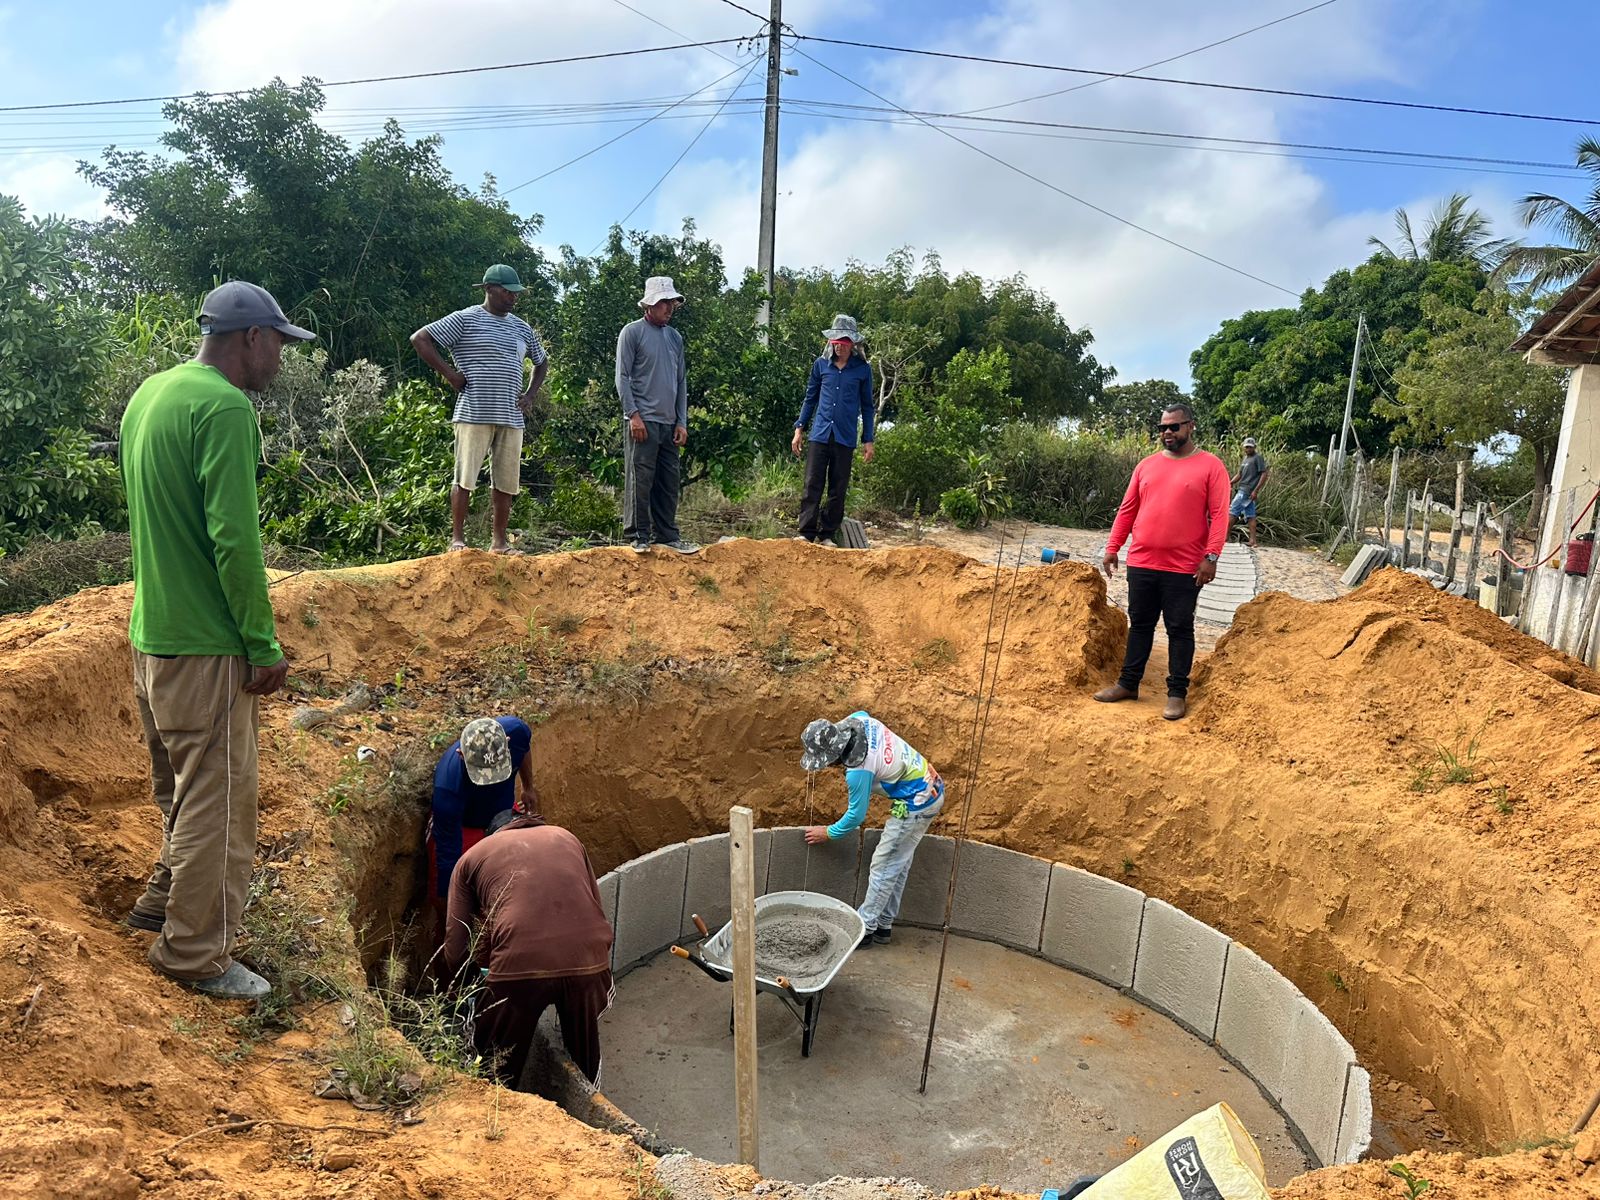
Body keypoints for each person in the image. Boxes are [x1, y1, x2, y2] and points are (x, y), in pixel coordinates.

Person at [120, 281, 311, 1000]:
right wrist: (261, 644)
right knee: (219, 806)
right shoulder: (226, 408)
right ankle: (193, 953)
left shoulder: (151, 394)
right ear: (251, 338)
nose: (281, 360)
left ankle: (161, 901)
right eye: (279, 344)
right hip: (206, 646)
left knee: (182, 789)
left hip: (153, 637)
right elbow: (234, 540)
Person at [444, 809, 614, 1085]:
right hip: (590, 960)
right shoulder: (567, 837)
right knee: (584, 1053)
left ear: (492, 834)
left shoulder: (472, 857)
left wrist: (474, 988)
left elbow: (455, 948)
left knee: (495, 1063)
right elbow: (596, 907)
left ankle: (500, 1101)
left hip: (518, 966)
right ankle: (590, 1102)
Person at [1094, 403, 1230, 722]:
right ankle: (1128, 684)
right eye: (1162, 427)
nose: (1167, 432)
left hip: (1184, 567)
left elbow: (1220, 514)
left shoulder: (1211, 466)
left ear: (1190, 426)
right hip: (1142, 562)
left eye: (1174, 426)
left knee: (1179, 628)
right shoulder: (1146, 466)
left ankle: (1176, 693)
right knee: (1140, 624)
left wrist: (1211, 557)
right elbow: (1128, 509)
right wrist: (1113, 547)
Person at [411, 265, 549, 554]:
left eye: (516, 293)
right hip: (474, 412)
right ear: (489, 289)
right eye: (507, 292)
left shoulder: (521, 327)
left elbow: (541, 361)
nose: (513, 297)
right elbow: (420, 339)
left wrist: (530, 395)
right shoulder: (465, 319)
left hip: (511, 416)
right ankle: (457, 540)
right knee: (465, 478)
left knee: (506, 482)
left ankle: (499, 543)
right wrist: (450, 375)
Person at [800, 713, 943, 946]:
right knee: (897, 863)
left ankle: (865, 929)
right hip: (929, 787)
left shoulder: (858, 771)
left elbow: (856, 816)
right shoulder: (859, 720)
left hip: (917, 803)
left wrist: (828, 832)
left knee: (883, 864)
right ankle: (883, 925)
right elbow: (863, 715)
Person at [427, 715, 538, 939]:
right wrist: (454, 919)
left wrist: (528, 787)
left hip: (501, 816)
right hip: (465, 827)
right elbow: (449, 860)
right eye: (483, 776)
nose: (493, 782)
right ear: (461, 755)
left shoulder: (516, 731)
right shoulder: (448, 789)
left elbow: (524, 747)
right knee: (451, 894)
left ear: (506, 742)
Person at [615, 276, 699, 556]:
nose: (669, 308)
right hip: (643, 420)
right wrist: (633, 415)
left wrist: (681, 421)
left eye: (671, 302)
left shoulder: (675, 338)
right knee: (640, 479)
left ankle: (668, 535)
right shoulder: (632, 332)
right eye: (664, 302)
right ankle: (638, 535)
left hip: (669, 422)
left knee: (668, 481)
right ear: (649, 304)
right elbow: (622, 377)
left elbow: (681, 381)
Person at [791, 314, 876, 544]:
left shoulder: (862, 370)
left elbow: (867, 407)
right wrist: (799, 429)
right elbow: (810, 398)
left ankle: (827, 534)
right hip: (820, 433)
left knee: (838, 487)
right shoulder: (821, 366)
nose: (840, 347)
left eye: (844, 343)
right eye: (836, 342)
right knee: (812, 483)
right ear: (831, 342)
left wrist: (868, 439)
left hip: (845, 436)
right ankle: (806, 533)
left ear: (852, 344)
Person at [1228, 437, 1271, 548]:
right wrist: (1230, 482)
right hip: (1245, 490)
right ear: (1244, 447)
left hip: (1246, 491)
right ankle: (1253, 541)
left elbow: (1264, 474)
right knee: (1251, 516)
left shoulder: (1257, 458)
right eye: (1246, 447)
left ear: (1254, 447)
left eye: (1250, 447)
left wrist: (1256, 490)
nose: (1248, 449)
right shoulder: (1245, 459)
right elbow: (1240, 474)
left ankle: (1225, 537)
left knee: (1232, 511)